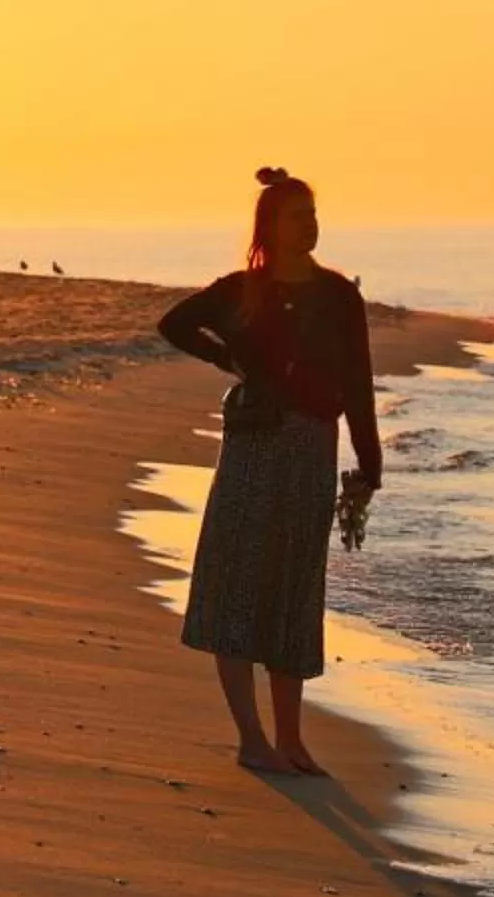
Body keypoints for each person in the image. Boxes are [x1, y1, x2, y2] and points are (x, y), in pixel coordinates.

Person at [154, 166, 385, 775]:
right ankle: (252, 738)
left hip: (312, 448)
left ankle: (291, 739)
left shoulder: (339, 295)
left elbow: (359, 383)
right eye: (298, 216)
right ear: (271, 226)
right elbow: (175, 324)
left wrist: (370, 465)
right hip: (253, 450)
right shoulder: (241, 289)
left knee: (293, 591)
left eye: (313, 214)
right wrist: (229, 358)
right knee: (234, 585)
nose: (310, 225)